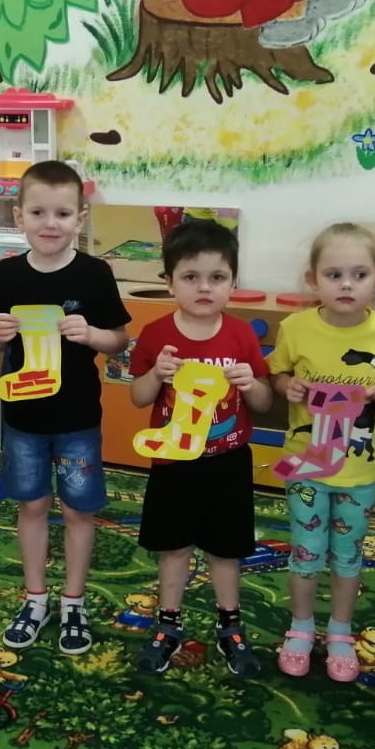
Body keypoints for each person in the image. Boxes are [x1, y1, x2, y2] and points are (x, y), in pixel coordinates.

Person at [0, 160, 130, 656]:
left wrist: (92, 334)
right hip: (23, 421)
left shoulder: (94, 273)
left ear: (80, 219)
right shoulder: (8, 273)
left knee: (79, 510)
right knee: (32, 506)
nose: (50, 223)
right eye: (38, 212)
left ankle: (73, 602)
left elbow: (119, 340)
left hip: (78, 419)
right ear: (18, 216)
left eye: (62, 213)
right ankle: (36, 599)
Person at [128, 219, 271, 676]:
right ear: (169, 282)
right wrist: (156, 374)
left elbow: (264, 403)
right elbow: (138, 397)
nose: (204, 287)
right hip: (173, 463)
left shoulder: (242, 335)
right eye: (190, 276)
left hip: (228, 462)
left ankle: (231, 625)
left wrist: (251, 384)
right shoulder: (156, 335)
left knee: (225, 550)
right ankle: (167, 624)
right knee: (173, 547)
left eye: (217, 277)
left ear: (233, 282)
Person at [268, 223, 375, 682]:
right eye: (334, 275)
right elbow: (278, 375)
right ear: (313, 280)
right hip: (306, 465)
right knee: (306, 551)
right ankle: (301, 626)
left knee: (348, 554)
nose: (347, 284)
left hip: (360, 469)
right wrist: (289, 387)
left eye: (359, 275)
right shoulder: (295, 327)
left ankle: (341, 630)